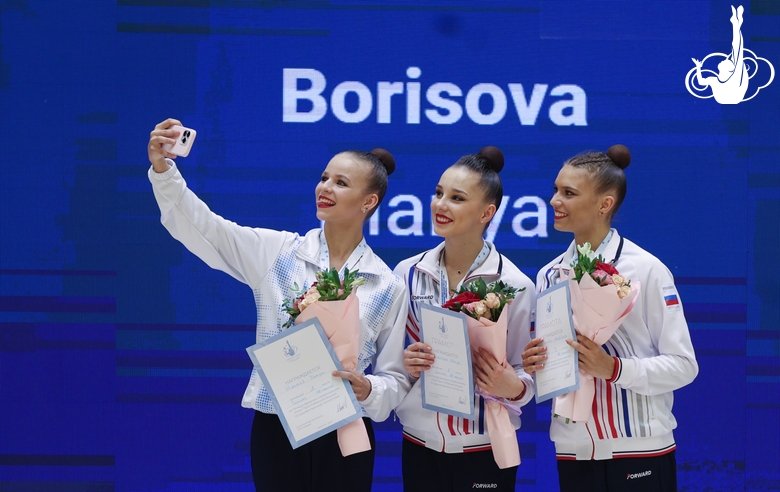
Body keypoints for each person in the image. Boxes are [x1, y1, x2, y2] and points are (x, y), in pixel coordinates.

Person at [146, 118, 410, 492]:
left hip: (345, 428)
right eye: (324, 178)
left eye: (341, 182)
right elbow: (206, 229)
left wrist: (368, 388)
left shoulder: (386, 284)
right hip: (276, 422)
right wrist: (163, 170)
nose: (325, 187)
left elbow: (396, 378)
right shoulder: (277, 251)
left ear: (369, 202)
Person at [522, 145, 698, 492]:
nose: (555, 201)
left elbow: (683, 366)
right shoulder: (549, 275)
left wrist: (613, 369)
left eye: (569, 193)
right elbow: (556, 363)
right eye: (555, 190)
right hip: (573, 450)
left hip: (639, 450)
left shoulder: (646, 269)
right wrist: (537, 364)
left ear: (605, 204)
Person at [393, 147, 535, 491]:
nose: (441, 205)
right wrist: (406, 361)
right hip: (419, 446)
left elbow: (527, 375)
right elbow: (390, 366)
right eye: (439, 193)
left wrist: (512, 388)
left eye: (457, 198)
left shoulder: (514, 285)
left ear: (487, 212)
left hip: (484, 448)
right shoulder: (407, 274)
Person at [692, 5, 748, 104]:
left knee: (737, 52)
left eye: (727, 61)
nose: (725, 59)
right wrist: (698, 67)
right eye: (729, 61)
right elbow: (701, 82)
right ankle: (736, 24)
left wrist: (698, 68)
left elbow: (737, 49)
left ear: (729, 69)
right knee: (737, 53)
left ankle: (736, 24)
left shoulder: (728, 78)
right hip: (730, 96)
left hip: (731, 96)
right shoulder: (717, 80)